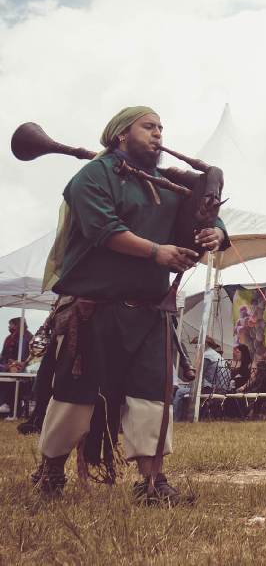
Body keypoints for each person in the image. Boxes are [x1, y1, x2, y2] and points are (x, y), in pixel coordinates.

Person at [31, 106, 227, 504]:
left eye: (161, 127)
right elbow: (104, 230)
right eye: (148, 126)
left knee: (152, 395)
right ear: (121, 134)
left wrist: (214, 234)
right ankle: (50, 472)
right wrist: (157, 253)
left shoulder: (166, 184)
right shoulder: (92, 176)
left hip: (149, 312)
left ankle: (152, 483)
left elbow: (200, 219)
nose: (158, 133)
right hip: (92, 308)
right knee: (75, 394)